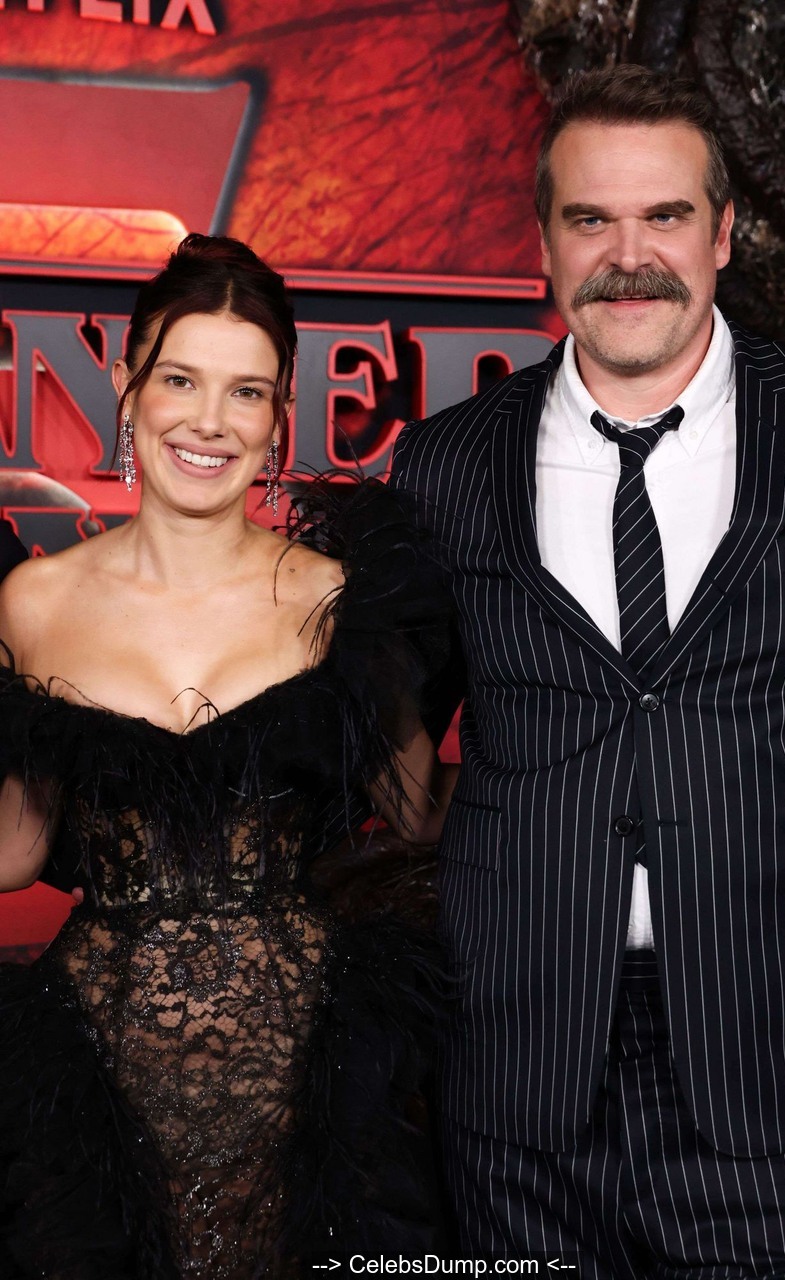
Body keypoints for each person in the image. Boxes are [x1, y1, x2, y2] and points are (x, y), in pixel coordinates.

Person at [389, 64, 785, 1278]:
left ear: (721, 232)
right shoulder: (444, 465)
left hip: (780, 1066)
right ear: (544, 244)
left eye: (663, 215)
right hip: (518, 1076)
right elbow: (396, 747)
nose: (629, 256)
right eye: (590, 219)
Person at [0, 234, 454, 1278]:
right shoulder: (34, 601)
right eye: (181, 379)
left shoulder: (342, 598)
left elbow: (418, 810)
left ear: (279, 413)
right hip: (96, 1091)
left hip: (311, 1090)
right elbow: (17, 851)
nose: (209, 420)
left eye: (246, 391)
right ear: (127, 383)